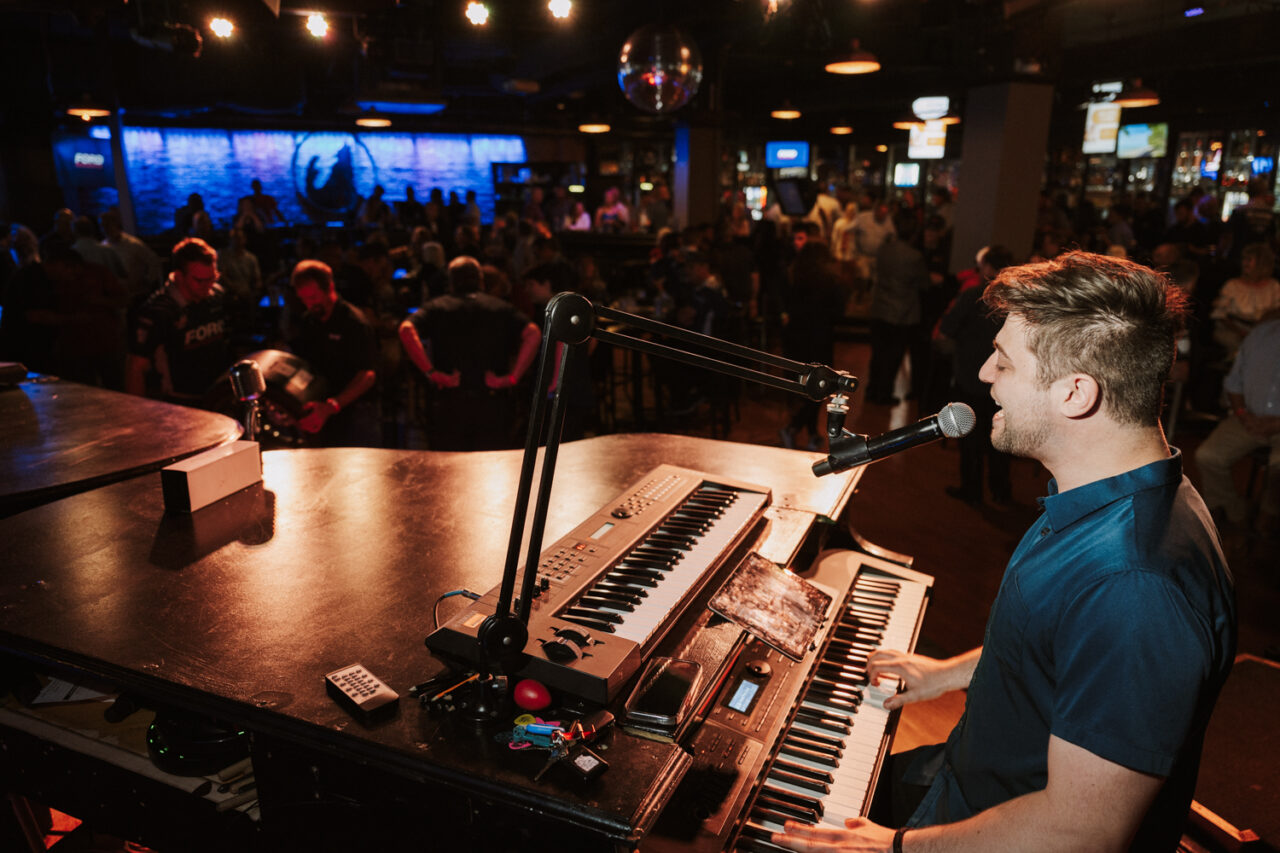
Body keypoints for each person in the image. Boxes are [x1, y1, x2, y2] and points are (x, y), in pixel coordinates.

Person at [775, 251, 1237, 853]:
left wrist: (895, 847)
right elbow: (1058, 643)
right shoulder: (1112, 491)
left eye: (1005, 362)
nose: (986, 375)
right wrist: (951, 672)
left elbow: (1083, 831)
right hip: (965, 778)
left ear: (1075, 393)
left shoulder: (1134, 586)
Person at [399, 256, 540, 450]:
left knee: (449, 468)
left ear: (451, 281)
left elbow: (406, 329)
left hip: (449, 399)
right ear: (480, 280)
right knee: (491, 466)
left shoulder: (437, 306)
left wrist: (431, 372)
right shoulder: (500, 307)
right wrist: (512, 378)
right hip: (492, 399)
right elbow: (533, 333)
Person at [1194, 316, 1280, 536]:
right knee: (1207, 456)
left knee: (1277, 468)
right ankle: (1236, 515)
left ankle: (1268, 517)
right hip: (1249, 417)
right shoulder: (1261, 333)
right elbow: (1234, 382)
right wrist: (1243, 414)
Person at [125, 237, 230, 406]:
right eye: (200, 280)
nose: (208, 286)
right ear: (179, 277)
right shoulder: (158, 312)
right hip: (179, 405)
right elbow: (136, 367)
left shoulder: (216, 297)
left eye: (213, 278)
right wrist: (136, 414)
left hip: (216, 397)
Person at [287, 260, 379, 446]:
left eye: (313, 297)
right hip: (323, 411)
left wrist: (333, 406)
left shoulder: (354, 323)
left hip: (356, 411)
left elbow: (367, 375)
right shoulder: (308, 322)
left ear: (329, 287)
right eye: (303, 299)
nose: (309, 305)